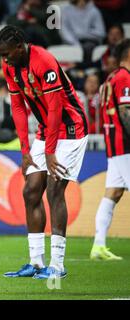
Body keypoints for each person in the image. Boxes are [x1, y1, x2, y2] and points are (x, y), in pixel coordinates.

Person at [0, 26, 89, 279]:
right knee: (30, 190)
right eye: (1, 55)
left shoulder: (44, 61)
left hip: (70, 129)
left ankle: (57, 266)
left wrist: (49, 152)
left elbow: (56, 107)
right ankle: (36, 263)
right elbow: (17, 106)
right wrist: (25, 150)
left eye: (7, 53)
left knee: (54, 189)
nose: (4, 59)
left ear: (20, 46)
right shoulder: (10, 67)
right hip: (46, 129)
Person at [90, 39, 130, 261]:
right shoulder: (124, 77)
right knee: (113, 193)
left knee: (113, 193)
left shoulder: (111, 78)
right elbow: (125, 111)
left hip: (114, 145)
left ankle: (98, 245)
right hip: (125, 145)